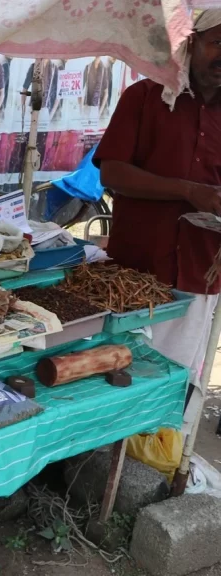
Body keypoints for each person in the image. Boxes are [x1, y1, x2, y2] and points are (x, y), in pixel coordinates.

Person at [93, 9, 221, 433]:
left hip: (203, 271)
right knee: (118, 373)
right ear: (191, 44)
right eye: (217, 42)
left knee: (176, 375)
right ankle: (104, 454)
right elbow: (112, 172)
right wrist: (187, 190)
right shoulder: (146, 97)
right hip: (136, 268)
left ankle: (157, 454)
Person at [21, 58, 61, 125]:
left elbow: (58, 95)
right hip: (32, 109)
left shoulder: (54, 69)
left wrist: (50, 116)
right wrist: (23, 110)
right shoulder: (33, 67)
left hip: (46, 110)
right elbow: (25, 89)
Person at [80, 56, 109, 121]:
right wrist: (81, 110)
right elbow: (80, 89)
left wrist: (99, 113)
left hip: (98, 107)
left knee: (93, 128)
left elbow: (106, 93)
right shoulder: (88, 67)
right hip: (87, 105)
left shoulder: (104, 70)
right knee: (85, 127)